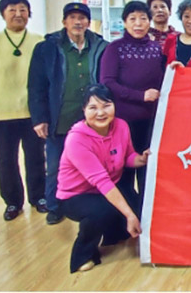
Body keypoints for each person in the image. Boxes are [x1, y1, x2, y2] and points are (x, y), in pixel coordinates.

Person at [29, 2, 109, 225]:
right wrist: (39, 119)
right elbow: (36, 86)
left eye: (82, 18)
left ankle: (91, 205)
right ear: (64, 22)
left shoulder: (101, 46)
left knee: (94, 164)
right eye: (72, 17)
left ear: (89, 22)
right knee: (56, 165)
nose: (77, 22)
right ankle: (55, 206)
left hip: (92, 120)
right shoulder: (47, 48)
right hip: (60, 117)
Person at [57, 84, 149, 273]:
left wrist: (142, 159)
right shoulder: (76, 139)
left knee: (140, 208)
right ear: (84, 110)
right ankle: (82, 255)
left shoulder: (121, 126)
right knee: (102, 211)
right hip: (76, 195)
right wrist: (129, 215)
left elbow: (128, 156)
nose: (100, 113)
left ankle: (113, 235)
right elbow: (102, 182)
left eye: (106, 106)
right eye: (93, 108)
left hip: (107, 187)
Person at [0, 0, 46, 221]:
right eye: (12, 10)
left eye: (23, 9)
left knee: (36, 158)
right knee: (5, 161)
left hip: (33, 113)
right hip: (0, 114)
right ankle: (13, 202)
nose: (18, 14)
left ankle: (39, 197)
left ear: (29, 13)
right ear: (3, 14)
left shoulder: (40, 41)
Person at [100, 1, 165, 200]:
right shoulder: (115, 48)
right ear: (125, 22)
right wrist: (140, 95)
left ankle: (144, 212)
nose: (138, 23)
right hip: (123, 122)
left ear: (149, 22)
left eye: (143, 18)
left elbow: (163, 79)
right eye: (133, 19)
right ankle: (124, 213)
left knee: (148, 169)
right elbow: (107, 82)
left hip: (152, 121)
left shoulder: (156, 48)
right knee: (124, 169)